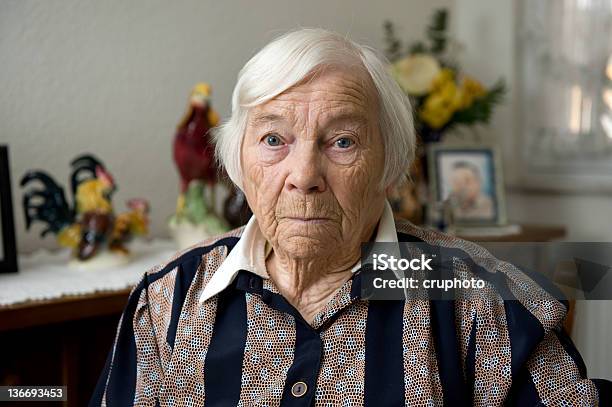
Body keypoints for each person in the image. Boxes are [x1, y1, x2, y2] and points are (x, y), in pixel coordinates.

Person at [90, 28, 611, 406]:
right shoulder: (167, 299)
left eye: (342, 141)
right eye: (274, 139)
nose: (303, 174)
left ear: (388, 164)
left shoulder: (489, 305)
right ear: (238, 163)